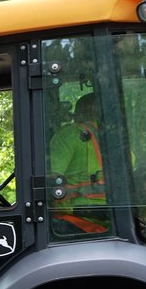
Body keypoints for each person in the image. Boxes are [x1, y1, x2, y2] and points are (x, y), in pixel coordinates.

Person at [49, 92, 108, 235]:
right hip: (114, 219)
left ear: (80, 112)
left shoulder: (69, 135)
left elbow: (50, 181)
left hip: (77, 220)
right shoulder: (116, 138)